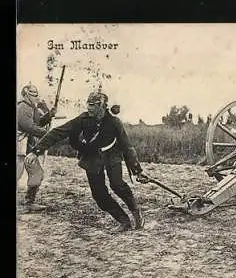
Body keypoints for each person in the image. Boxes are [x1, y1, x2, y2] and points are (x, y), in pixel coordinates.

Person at [25, 91, 149, 232]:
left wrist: (137, 170)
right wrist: (36, 151)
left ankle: (136, 213)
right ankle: (123, 221)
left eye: (92, 105)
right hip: (92, 157)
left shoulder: (114, 122)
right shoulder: (83, 119)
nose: (88, 108)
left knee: (117, 185)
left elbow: (127, 147)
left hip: (111, 155)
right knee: (99, 194)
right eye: (88, 104)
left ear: (102, 106)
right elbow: (58, 132)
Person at [17, 84, 57, 212]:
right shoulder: (22, 107)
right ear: (26, 94)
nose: (36, 97)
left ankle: (29, 202)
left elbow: (38, 122)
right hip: (18, 146)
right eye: (33, 94)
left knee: (37, 173)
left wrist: (49, 115)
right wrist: (46, 134)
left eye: (36, 94)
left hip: (27, 146)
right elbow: (28, 126)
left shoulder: (31, 108)